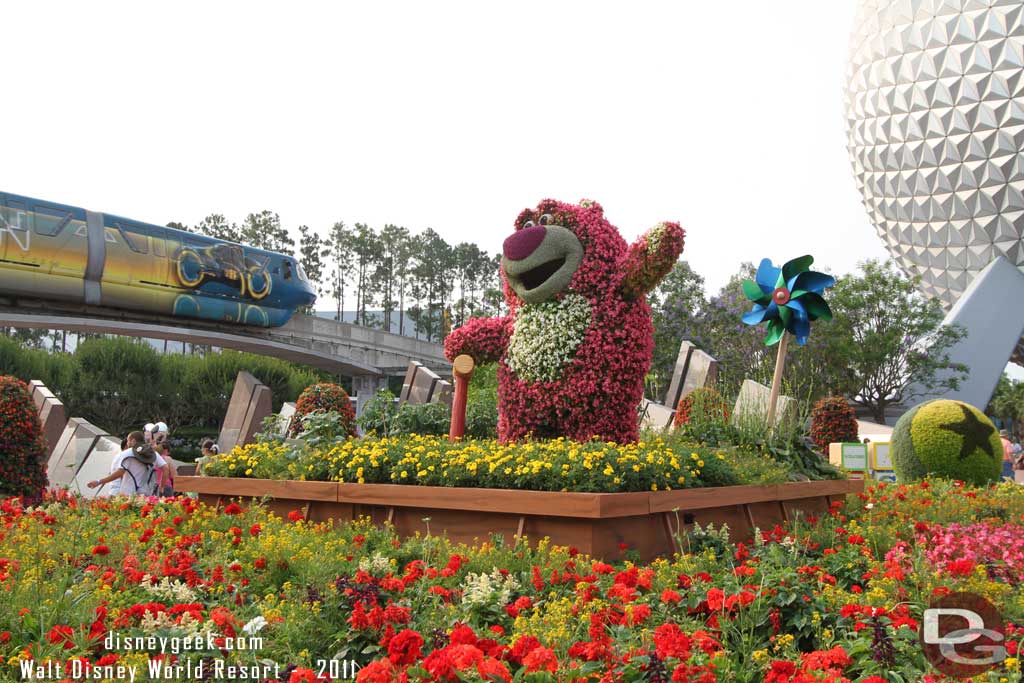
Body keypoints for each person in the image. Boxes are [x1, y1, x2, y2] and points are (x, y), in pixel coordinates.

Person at [87, 434, 171, 496]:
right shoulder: (153, 453)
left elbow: (119, 473)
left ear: (133, 441)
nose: (127, 443)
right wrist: (162, 486)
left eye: (128, 440)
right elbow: (166, 468)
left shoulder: (127, 453)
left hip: (128, 494)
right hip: (147, 494)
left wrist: (99, 481)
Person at [152, 432, 176, 496]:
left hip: (152, 487)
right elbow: (174, 476)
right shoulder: (167, 459)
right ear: (166, 450)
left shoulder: (151, 458)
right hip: (165, 486)